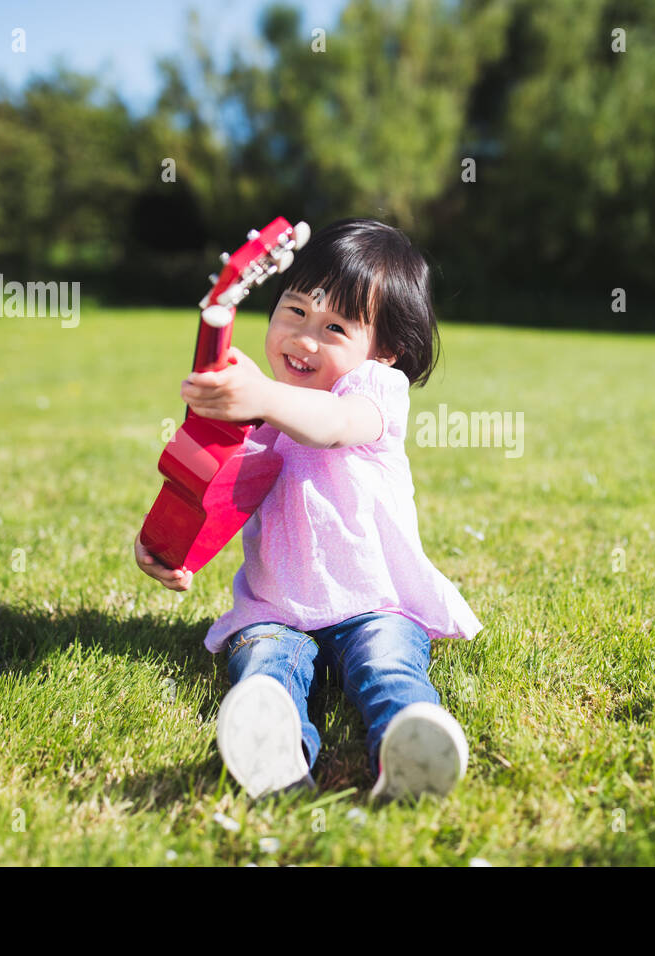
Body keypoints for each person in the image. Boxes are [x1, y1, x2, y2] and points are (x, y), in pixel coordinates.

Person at [135, 217, 481, 802]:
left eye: (335, 327)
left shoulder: (372, 395)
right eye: (295, 312)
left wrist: (264, 398)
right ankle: (276, 749)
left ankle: (410, 737)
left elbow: (333, 428)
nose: (304, 338)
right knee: (264, 663)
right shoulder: (263, 411)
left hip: (376, 601)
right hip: (279, 607)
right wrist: (168, 542)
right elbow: (221, 490)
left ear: (385, 352)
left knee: (388, 664)